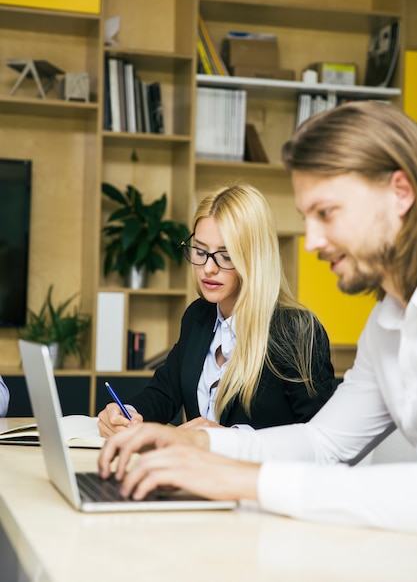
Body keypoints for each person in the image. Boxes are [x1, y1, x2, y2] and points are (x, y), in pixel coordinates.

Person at [98, 100, 417, 534]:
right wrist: (197, 441)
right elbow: (323, 442)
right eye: (307, 219)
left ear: (400, 193)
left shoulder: (299, 330)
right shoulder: (387, 323)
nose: (311, 243)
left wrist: (237, 477)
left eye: (327, 212)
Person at [98, 184, 336, 436]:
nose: (208, 268)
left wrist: (228, 438)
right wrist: (128, 412)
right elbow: (165, 392)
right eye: (200, 251)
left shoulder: (296, 331)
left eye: (226, 255)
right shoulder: (198, 316)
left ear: (253, 257)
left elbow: (321, 439)